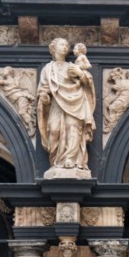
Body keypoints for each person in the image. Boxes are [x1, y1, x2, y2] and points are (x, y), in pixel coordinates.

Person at [37, 37, 96, 175]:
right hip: (56, 104)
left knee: (72, 127)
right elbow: (44, 88)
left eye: (66, 45)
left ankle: (70, 159)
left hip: (75, 103)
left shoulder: (72, 66)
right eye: (61, 44)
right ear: (53, 48)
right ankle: (56, 161)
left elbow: (88, 81)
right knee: (54, 129)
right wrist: (44, 96)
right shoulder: (48, 68)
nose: (65, 47)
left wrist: (80, 73)